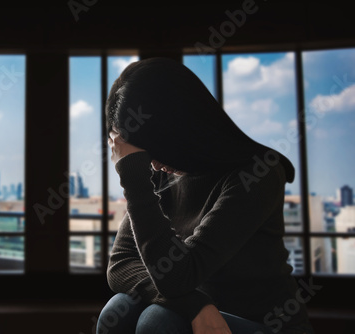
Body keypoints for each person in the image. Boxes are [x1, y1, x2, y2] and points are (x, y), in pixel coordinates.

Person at [97, 57, 314, 334]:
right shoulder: (162, 172)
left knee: (157, 320)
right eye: (142, 153)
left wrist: (133, 179)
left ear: (179, 127)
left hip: (266, 325)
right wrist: (196, 304)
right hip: (201, 316)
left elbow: (179, 276)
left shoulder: (257, 174)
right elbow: (120, 265)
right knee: (118, 308)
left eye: (152, 147)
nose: (152, 164)